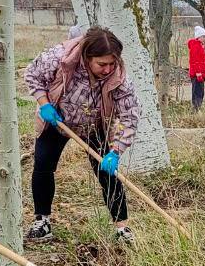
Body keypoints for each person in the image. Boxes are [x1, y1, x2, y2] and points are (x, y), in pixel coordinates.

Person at [25, 26, 143, 245]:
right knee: (43, 165)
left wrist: (116, 151)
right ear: (87, 57)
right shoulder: (60, 57)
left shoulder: (119, 78)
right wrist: (44, 103)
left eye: (112, 63)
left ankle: (122, 230)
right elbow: (32, 73)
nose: (108, 69)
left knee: (108, 174)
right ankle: (42, 222)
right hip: (56, 120)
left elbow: (130, 115)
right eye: (102, 64)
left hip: (93, 125)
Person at [187, 25, 205, 111]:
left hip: (200, 73)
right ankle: (196, 108)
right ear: (198, 37)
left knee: (200, 91)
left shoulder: (200, 46)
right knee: (197, 91)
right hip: (197, 74)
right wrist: (198, 73)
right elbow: (194, 61)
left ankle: (198, 107)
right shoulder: (195, 46)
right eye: (203, 37)